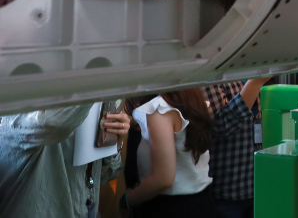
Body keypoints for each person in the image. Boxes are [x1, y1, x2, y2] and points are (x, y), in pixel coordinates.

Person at [0, 103, 129, 217]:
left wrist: (115, 142)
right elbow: (55, 122)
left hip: (89, 209)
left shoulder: (87, 108)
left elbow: (105, 175)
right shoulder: (17, 115)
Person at [121, 89, 214, 217]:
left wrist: (127, 200)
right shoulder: (190, 97)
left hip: (170, 206)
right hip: (202, 200)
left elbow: (163, 179)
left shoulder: (160, 109)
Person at [204, 78, 271, 218]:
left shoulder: (249, 71)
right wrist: (255, 83)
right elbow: (220, 125)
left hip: (257, 185)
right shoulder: (212, 75)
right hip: (226, 190)